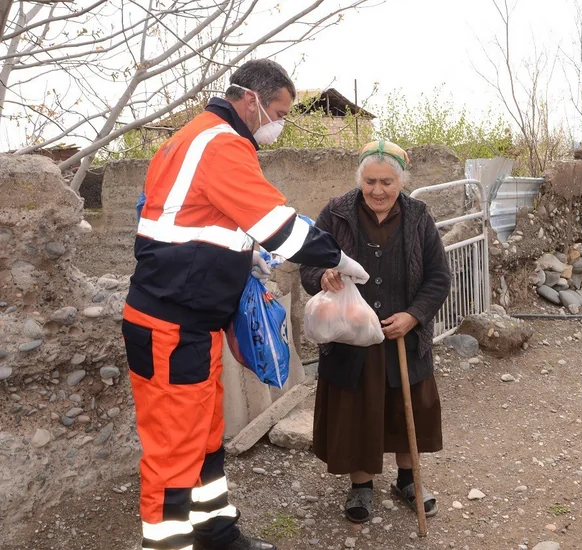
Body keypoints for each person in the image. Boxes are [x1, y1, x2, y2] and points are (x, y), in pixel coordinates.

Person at [122, 59, 369, 550]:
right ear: (251, 100)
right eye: (279, 110)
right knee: (174, 451)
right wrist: (338, 257)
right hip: (173, 324)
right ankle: (168, 542)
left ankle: (217, 534)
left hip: (185, 321)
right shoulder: (222, 145)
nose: (279, 122)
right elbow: (279, 224)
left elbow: (192, 219)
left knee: (205, 437)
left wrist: (245, 253)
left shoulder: (187, 138)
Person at [300, 139, 451, 524]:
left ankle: (407, 480)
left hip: (403, 336)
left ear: (401, 181)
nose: (378, 190)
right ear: (359, 180)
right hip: (350, 336)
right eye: (370, 181)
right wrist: (323, 276)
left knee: (407, 409)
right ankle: (361, 486)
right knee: (356, 412)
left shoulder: (419, 216)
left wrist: (414, 316)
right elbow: (308, 267)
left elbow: (438, 277)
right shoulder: (336, 213)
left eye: (386, 181)